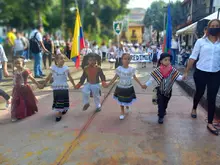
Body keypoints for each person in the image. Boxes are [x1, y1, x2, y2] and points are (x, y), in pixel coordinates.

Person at [183, 19, 220, 136]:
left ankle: (210, 122)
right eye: (212, 26)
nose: (214, 27)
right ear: (208, 28)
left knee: (212, 97)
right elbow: (193, 57)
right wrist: (186, 72)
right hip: (201, 72)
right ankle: (194, 107)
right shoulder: (200, 42)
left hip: (215, 73)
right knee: (199, 92)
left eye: (217, 26)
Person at [143, 53, 183, 124]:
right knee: (160, 104)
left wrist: (183, 77)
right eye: (165, 60)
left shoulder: (172, 70)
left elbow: (178, 78)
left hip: (168, 91)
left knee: (165, 103)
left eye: (169, 60)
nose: (167, 61)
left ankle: (163, 110)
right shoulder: (158, 70)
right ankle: (160, 116)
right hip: (160, 90)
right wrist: (146, 84)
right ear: (161, 61)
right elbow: (152, 79)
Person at [106, 53, 144, 120]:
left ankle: (127, 106)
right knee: (121, 100)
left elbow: (135, 78)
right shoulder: (119, 69)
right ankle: (122, 112)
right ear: (122, 60)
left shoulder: (131, 69)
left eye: (128, 59)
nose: (126, 60)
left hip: (128, 87)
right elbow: (114, 78)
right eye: (125, 59)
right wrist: (108, 84)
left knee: (127, 99)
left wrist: (141, 84)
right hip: (121, 87)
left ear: (130, 60)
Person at [40, 54, 76, 122]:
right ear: (56, 60)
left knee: (63, 99)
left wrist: (74, 85)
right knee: (58, 99)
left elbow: (70, 77)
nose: (63, 60)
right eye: (61, 58)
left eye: (64, 59)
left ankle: (60, 112)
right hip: (56, 87)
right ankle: (61, 110)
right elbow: (48, 77)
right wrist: (43, 84)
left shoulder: (66, 68)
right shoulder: (53, 68)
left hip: (64, 87)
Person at [11, 56, 40, 122]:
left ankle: (24, 113)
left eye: (19, 63)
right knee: (15, 101)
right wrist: (13, 86)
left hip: (25, 88)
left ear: (23, 63)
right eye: (16, 63)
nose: (17, 65)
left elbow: (32, 78)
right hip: (17, 89)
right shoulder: (15, 71)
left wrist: (38, 84)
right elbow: (14, 79)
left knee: (26, 100)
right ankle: (16, 115)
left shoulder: (26, 71)